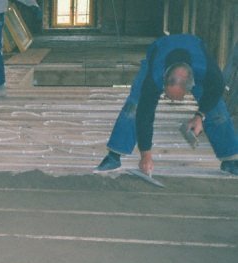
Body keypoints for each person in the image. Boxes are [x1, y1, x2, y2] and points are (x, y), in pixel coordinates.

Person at [94, 34, 238, 176]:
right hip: (160, 51)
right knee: (134, 107)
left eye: (178, 98)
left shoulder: (208, 72)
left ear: (191, 85)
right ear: (164, 81)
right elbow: (145, 115)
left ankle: (230, 159)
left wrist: (200, 115)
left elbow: (216, 90)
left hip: (194, 53)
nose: (173, 102)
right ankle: (114, 156)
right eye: (169, 96)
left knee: (217, 108)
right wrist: (146, 155)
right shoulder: (154, 77)